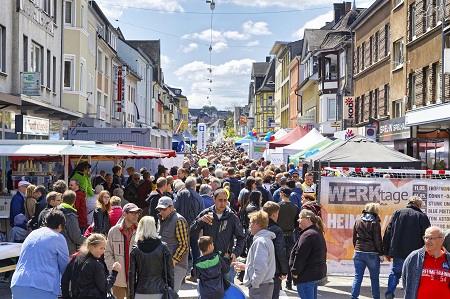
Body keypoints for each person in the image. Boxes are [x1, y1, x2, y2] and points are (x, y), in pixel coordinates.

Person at [11, 210, 69, 299]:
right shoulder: (58, 237)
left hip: (18, 282)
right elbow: (65, 267)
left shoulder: (32, 234)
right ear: (61, 225)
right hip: (43, 286)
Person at [190, 188, 246, 283]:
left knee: (227, 293)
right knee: (206, 291)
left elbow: (241, 238)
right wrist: (200, 221)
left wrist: (235, 252)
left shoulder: (232, 217)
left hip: (225, 260)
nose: (223, 203)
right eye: (220, 200)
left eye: (225, 200)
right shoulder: (206, 214)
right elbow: (191, 232)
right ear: (214, 199)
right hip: (208, 261)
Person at [383, 196, 430, 299]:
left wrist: (386, 250)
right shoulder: (422, 216)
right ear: (419, 205)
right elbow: (428, 236)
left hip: (398, 250)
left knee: (395, 273)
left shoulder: (398, 213)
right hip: (415, 252)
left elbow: (388, 231)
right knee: (413, 276)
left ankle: (389, 293)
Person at [61, 234, 121, 299]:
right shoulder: (96, 265)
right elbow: (104, 288)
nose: (103, 251)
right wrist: (114, 272)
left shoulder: (76, 258)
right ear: (91, 248)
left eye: (104, 248)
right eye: (101, 248)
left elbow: (65, 280)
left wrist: (66, 296)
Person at [232, 210, 276, 299]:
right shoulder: (265, 239)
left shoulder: (260, 241)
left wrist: (254, 283)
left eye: (250, 222)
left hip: (260, 287)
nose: (249, 225)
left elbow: (261, 267)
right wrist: (246, 266)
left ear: (257, 223)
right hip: (263, 286)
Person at [128, 216, 174, 299]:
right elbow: (170, 271)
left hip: (141, 291)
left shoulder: (135, 249)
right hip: (159, 290)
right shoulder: (163, 247)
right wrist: (171, 290)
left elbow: (131, 275)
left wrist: (131, 295)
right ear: (154, 227)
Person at [105, 203, 141, 299]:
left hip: (135, 279)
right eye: (133, 213)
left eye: (137, 213)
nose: (136, 215)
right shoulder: (113, 231)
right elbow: (108, 253)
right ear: (124, 214)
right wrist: (113, 269)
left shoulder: (141, 231)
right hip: (118, 279)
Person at [402, 226, 450, 299]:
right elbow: (406, 281)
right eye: (426, 238)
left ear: (441, 240)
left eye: (431, 238)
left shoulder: (448, 259)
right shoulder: (414, 257)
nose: (427, 241)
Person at [289, 209, 327, 299]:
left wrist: (295, 271)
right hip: (313, 275)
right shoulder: (315, 233)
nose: (298, 220)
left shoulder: (308, 235)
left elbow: (300, 255)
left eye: (300, 218)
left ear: (308, 220)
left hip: (306, 276)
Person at [156, 196, 189, 292]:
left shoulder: (179, 220)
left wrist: (173, 261)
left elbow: (184, 245)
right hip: (165, 264)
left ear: (172, 208)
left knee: (171, 294)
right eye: (159, 209)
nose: (161, 211)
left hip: (177, 265)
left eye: (164, 209)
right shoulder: (161, 219)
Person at [351, 203, 384, 299]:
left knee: (357, 277)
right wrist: (381, 253)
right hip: (372, 253)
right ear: (374, 211)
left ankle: (353, 297)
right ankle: (376, 297)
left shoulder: (358, 221)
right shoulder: (375, 222)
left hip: (358, 251)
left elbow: (354, 238)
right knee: (374, 278)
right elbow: (378, 240)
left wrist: (357, 248)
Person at [263, 201, 289, 299]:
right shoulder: (277, 230)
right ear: (274, 214)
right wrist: (284, 270)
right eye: (278, 213)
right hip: (274, 270)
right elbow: (280, 251)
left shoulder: (257, 227)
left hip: (259, 269)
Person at [277, 187, 299, 290]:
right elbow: (296, 223)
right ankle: (289, 282)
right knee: (290, 259)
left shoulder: (278, 206)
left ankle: (279, 282)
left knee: (278, 258)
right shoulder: (294, 207)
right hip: (290, 235)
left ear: (281, 193)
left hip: (279, 235)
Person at [60, 190, 87, 255]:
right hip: (67, 249)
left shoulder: (54, 210)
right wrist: (89, 241)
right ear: (74, 201)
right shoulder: (70, 216)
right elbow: (76, 237)